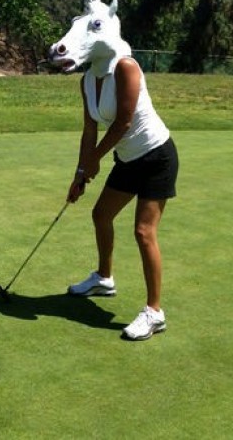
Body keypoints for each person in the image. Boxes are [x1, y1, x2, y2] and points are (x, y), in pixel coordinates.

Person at [66, 52, 179, 341]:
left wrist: (94, 161)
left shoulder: (125, 67)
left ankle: (154, 313)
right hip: (128, 160)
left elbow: (122, 124)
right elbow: (89, 129)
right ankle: (104, 279)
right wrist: (80, 172)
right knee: (101, 215)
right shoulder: (88, 81)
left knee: (144, 231)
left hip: (157, 157)